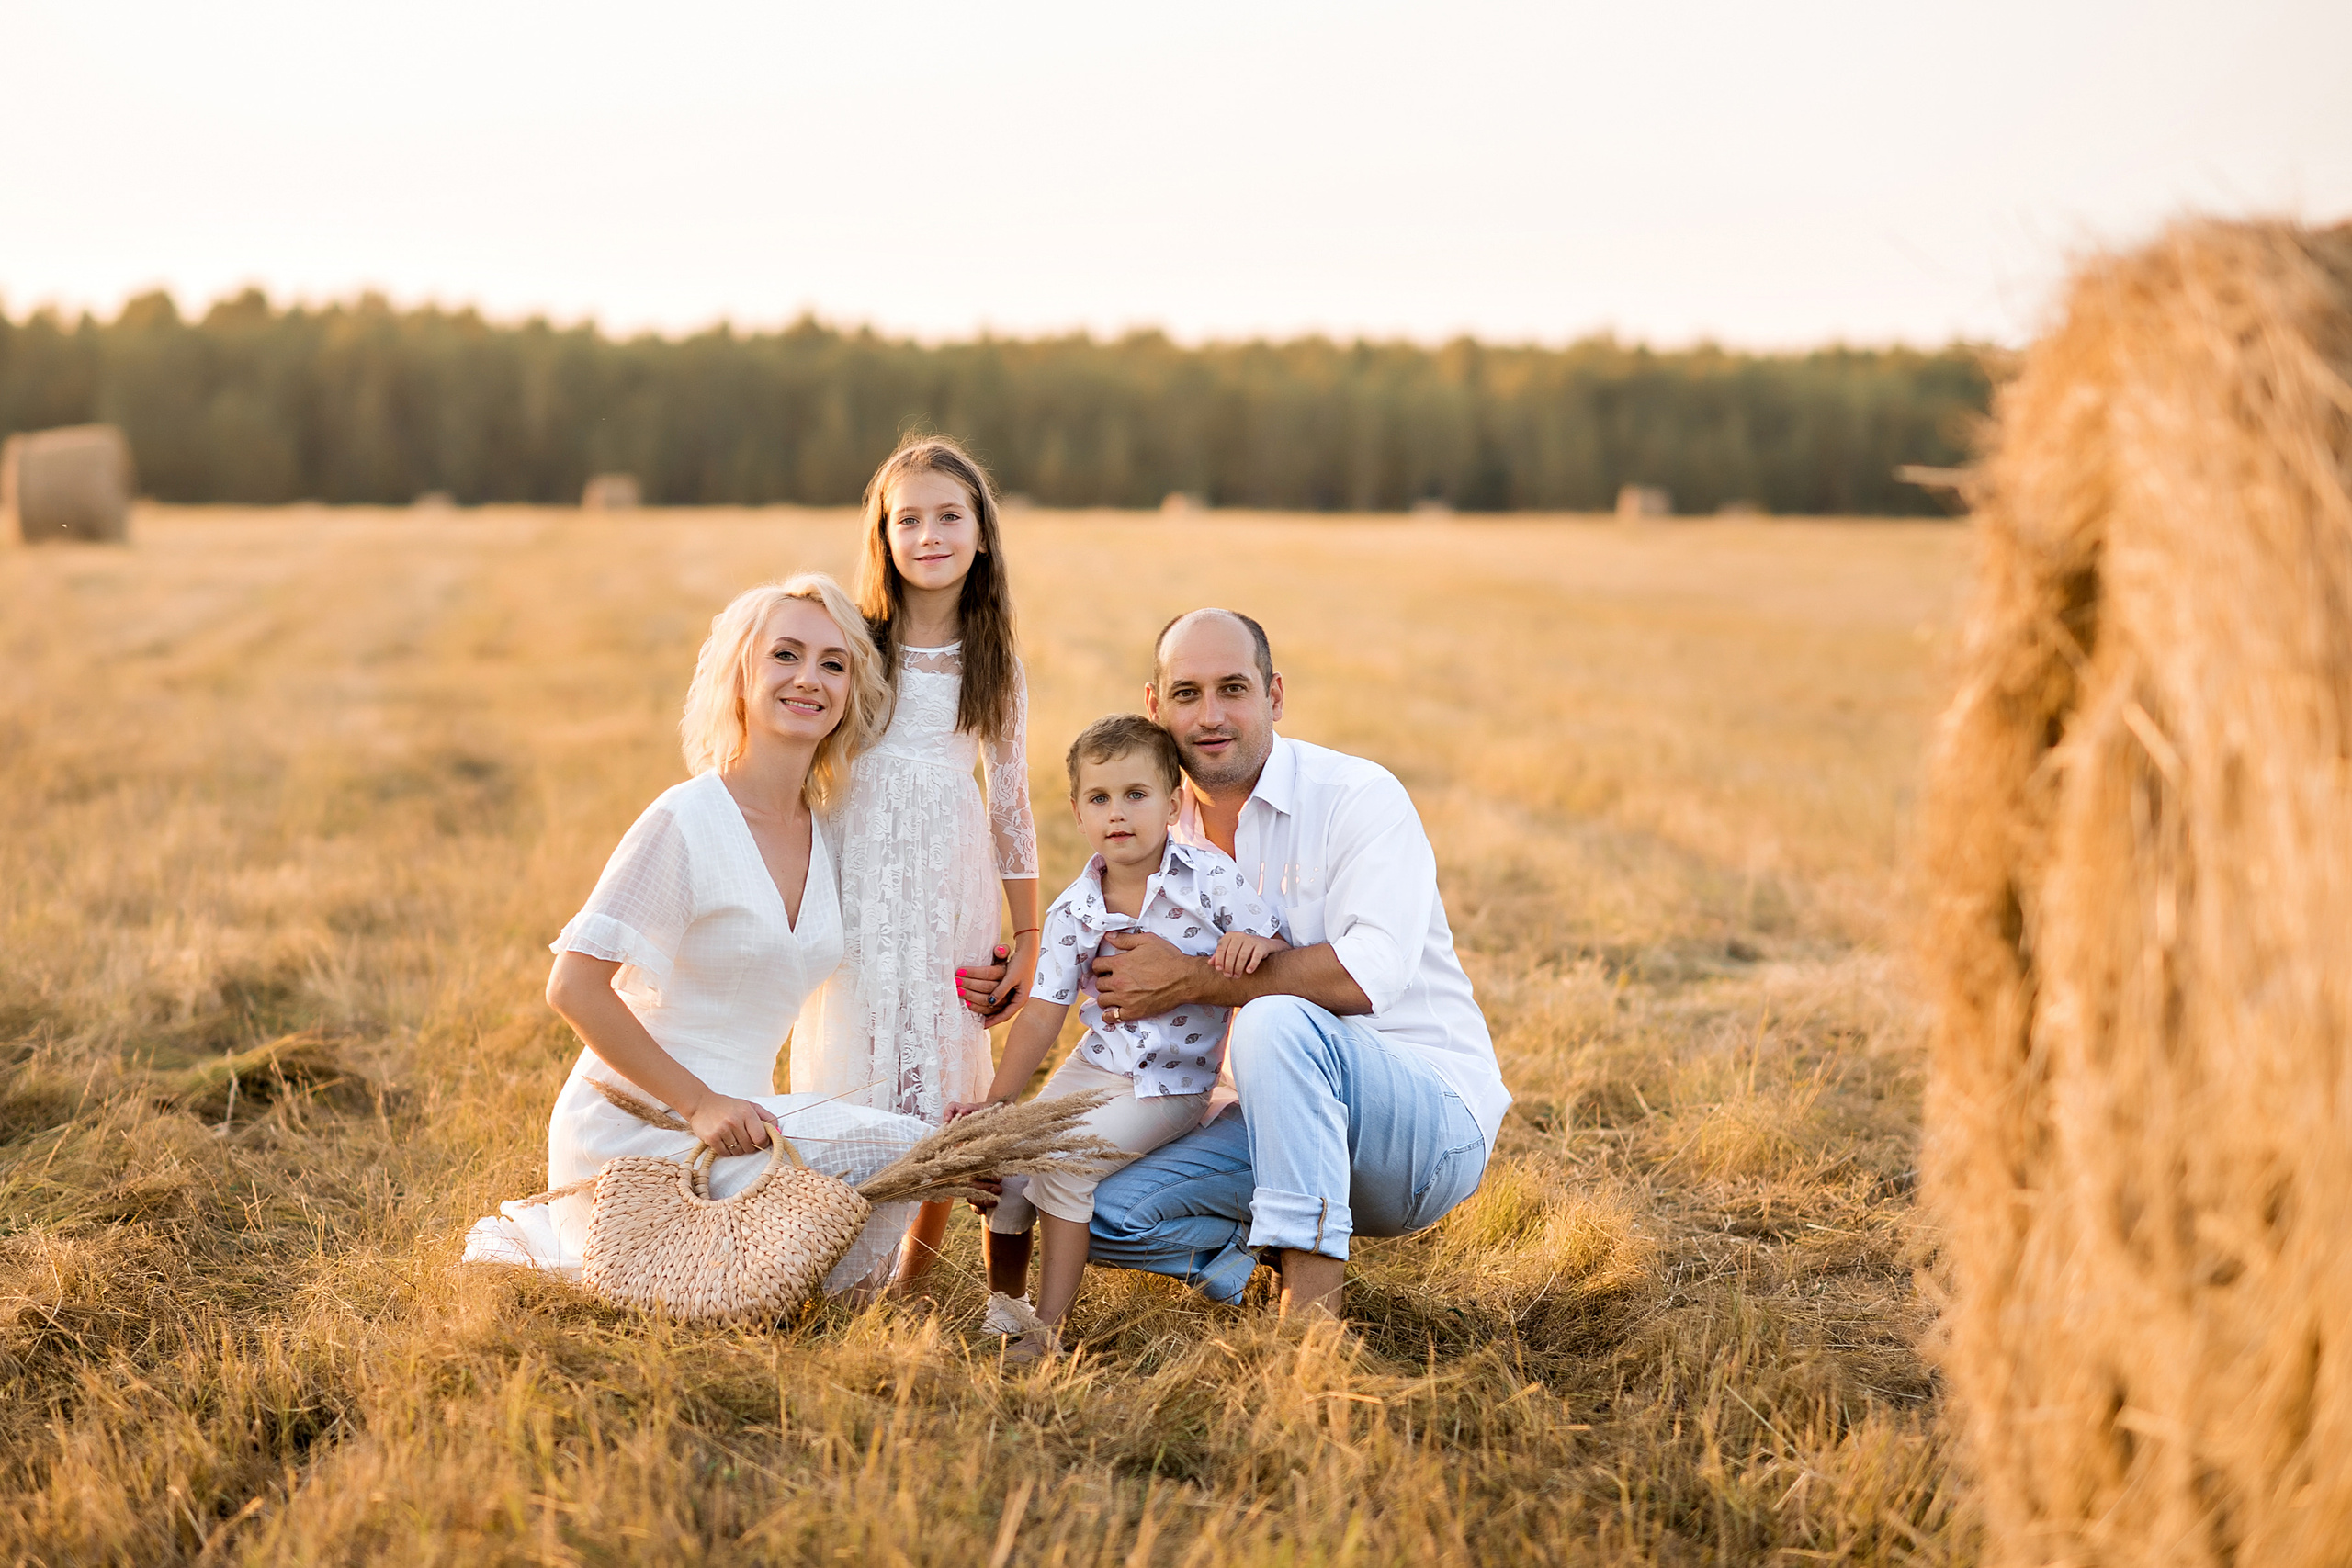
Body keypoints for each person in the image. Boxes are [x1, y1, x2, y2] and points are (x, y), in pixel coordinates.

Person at [967, 609, 1509, 1317]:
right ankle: (1266, 1251)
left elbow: (1368, 973)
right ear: (1155, 707)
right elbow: (1078, 962)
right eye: (1187, 694)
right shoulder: (1156, 830)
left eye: (1234, 688)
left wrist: (1195, 979)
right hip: (1266, 1120)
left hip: (1419, 1125)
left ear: (1274, 695)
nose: (1211, 715)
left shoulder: (1357, 796)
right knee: (1082, 1202)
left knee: (1277, 1019)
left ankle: (1308, 1329)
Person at [460, 575, 930, 1297]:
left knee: (905, 1147)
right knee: (868, 1164)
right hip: (642, 1123)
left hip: (747, 1120)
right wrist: (699, 1103)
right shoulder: (686, 820)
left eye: (834, 663)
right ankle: (723, 1277)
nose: (810, 678)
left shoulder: (823, 830)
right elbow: (574, 987)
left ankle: (809, 1294)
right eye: (786, 655)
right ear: (741, 675)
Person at [946, 715, 1283, 1361]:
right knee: (1014, 1165)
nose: (1118, 812)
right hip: (1098, 1063)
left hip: (1171, 1084)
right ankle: (1005, 1308)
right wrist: (997, 1105)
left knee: (1066, 1169)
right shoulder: (1075, 908)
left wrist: (1254, 942)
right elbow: (1043, 1013)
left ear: (1174, 802)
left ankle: (1048, 1332)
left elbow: (1268, 938)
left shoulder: (1206, 878)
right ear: (1077, 812)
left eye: (1137, 794)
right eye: (1100, 798)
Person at [789, 435, 1041, 1294]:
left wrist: (1032, 931)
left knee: (938, 1053)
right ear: (883, 536)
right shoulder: (857, 642)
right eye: (908, 520)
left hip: (949, 880)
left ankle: (914, 1274)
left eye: (948, 516)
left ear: (981, 534)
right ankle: (825, 1245)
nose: (929, 534)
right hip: (857, 866)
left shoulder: (994, 662)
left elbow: (1009, 803)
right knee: (853, 1033)